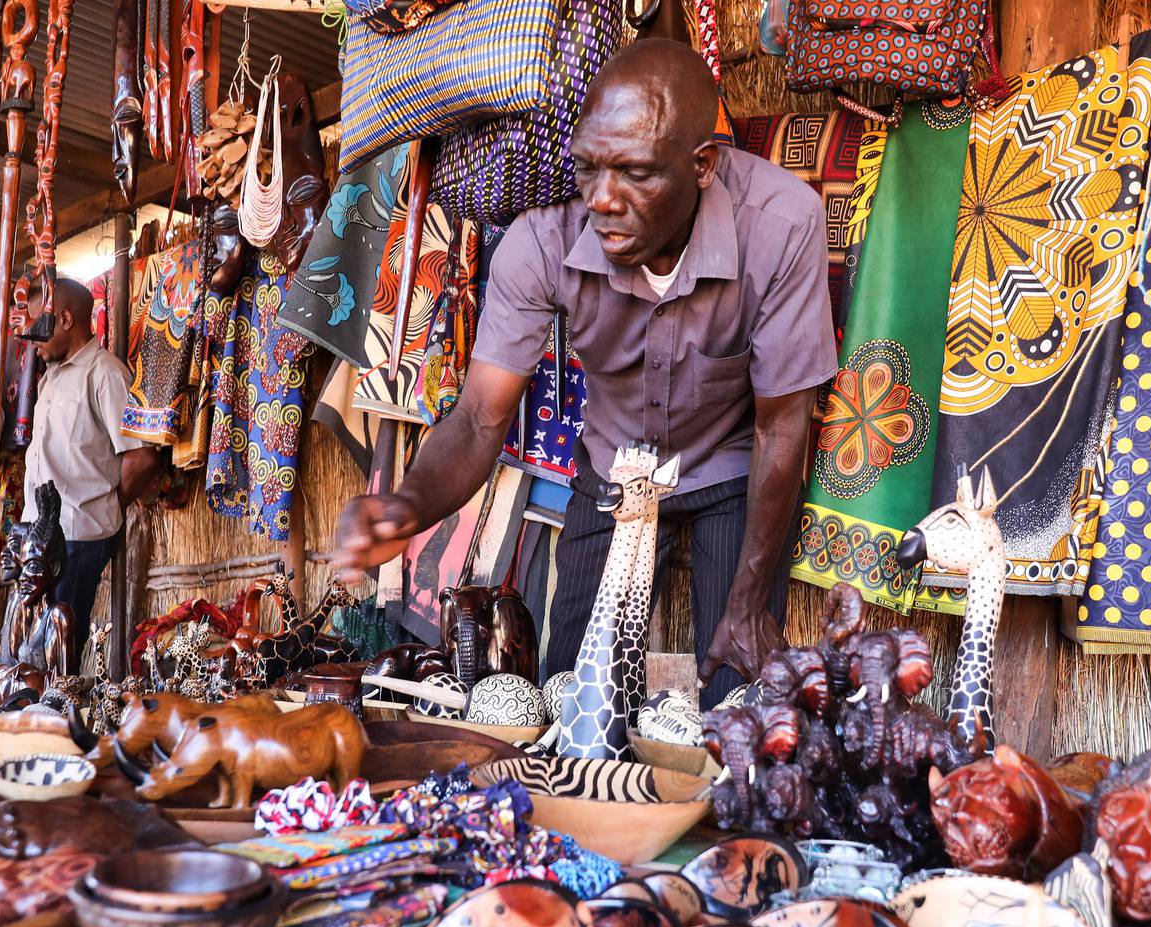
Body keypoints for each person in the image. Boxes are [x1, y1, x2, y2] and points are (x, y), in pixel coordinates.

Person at [332, 39, 836, 705]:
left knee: (735, 707)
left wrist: (748, 607)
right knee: (572, 699)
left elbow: (781, 427)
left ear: (704, 166)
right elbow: (482, 415)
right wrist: (406, 504)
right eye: (589, 168)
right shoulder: (544, 236)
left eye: (635, 173)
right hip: (611, 464)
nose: (603, 198)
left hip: (733, 464)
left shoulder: (778, 221)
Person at [24, 277, 158, 653]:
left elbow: (141, 457)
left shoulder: (105, 374)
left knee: (57, 651)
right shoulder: (51, 378)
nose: (32, 340)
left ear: (65, 318)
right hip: (41, 538)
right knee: (30, 651)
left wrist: (103, 508)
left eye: (38, 326)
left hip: (78, 538)